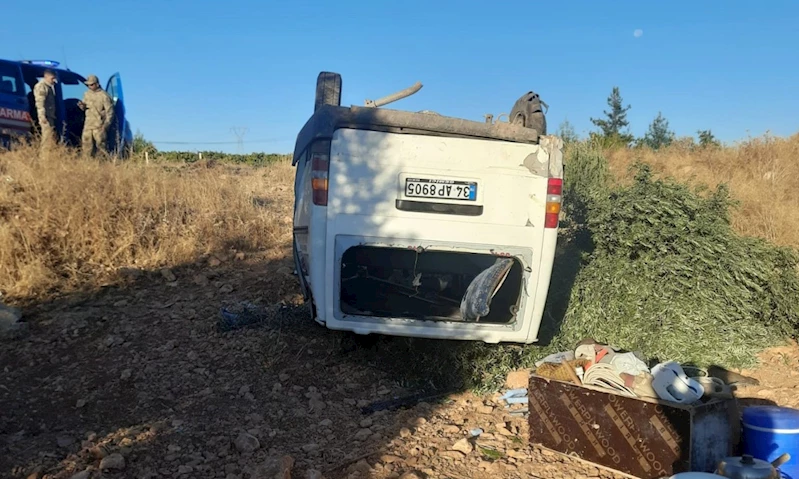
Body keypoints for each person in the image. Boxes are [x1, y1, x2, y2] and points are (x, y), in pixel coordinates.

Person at [77, 74, 114, 158]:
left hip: (99, 126)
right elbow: (85, 107)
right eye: (88, 85)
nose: (90, 86)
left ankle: (103, 166)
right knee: (86, 148)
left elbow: (110, 112)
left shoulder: (104, 96)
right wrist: (82, 106)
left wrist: (105, 126)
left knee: (101, 148)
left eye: (92, 84)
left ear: (97, 84)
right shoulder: (86, 94)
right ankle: (87, 166)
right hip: (88, 125)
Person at [33, 69, 57, 154]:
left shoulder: (49, 87)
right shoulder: (42, 86)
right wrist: (42, 116)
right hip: (45, 117)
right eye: (52, 78)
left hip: (50, 116)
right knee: (47, 141)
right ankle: (44, 162)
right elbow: (40, 103)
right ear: (46, 76)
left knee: (50, 139)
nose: (54, 80)